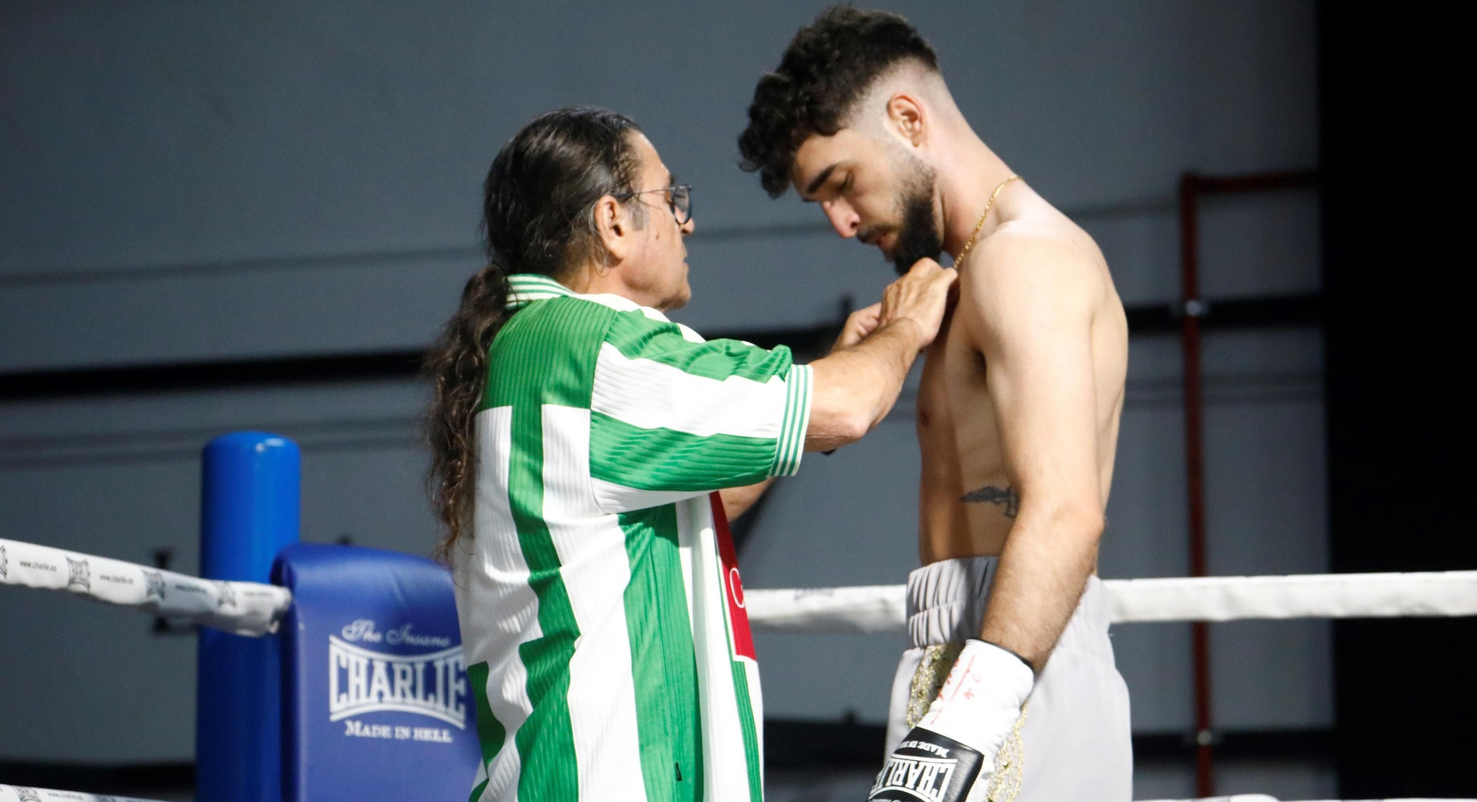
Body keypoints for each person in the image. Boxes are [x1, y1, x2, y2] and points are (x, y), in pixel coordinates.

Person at [425, 107, 955, 802]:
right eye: (672, 199)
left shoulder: (530, 347)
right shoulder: (593, 347)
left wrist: (835, 376)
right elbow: (845, 408)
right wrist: (909, 328)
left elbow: (691, 505)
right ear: (613, 222)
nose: (688, 222)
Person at [739, 8, 1133, 801]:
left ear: (908, 120)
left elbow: (1065, 515)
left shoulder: (1024, 262)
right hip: (963, 657)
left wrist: (969, 717)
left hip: (1020, 657)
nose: (841, 222)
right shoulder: (961, 278)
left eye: (842, 185)